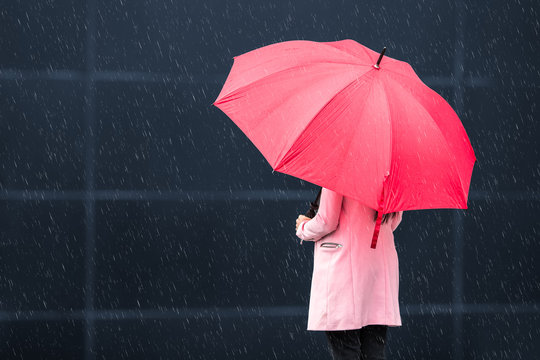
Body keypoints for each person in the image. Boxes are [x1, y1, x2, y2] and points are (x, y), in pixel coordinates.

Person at [295, 187, 404, 360]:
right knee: (373, 352)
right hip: (378, 272)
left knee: (346, 351)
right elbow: (393, 221)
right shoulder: (389, 171)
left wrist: (303, 227)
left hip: (343, 271)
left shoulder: (340, 166)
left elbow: (327, 221)